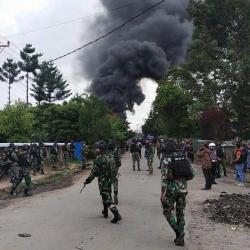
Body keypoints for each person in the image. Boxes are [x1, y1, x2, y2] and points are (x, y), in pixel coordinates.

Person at [161, 140, 194, 246]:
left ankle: (178, 232)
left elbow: (164, 178)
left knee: (167, 211)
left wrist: (162, 194)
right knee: (180, 213)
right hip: (183, 190)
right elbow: (192, 174)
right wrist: (182, 182)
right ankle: (180, 239)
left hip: (171, 190)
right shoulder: (184, 157)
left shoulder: (167, 159)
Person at [83, 141, 122, 223]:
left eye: (97, 148)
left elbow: (94, 173)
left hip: (103, 181)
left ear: (100, 149)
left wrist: (87, 181)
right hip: (110, 179)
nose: (96, 150)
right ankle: (105, 212)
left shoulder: (99, 159)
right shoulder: (110, 157)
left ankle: (116, 214)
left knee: (107, 199)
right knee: (105, 195)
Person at [107, 141, 121, 205]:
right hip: (114, 170)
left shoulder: (106, 153)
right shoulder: (115, 153)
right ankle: (115, 195)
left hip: (106, 171)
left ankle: (109, 196)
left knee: (108, 183)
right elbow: (119, 162)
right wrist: (116, 168)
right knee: (115, 182)